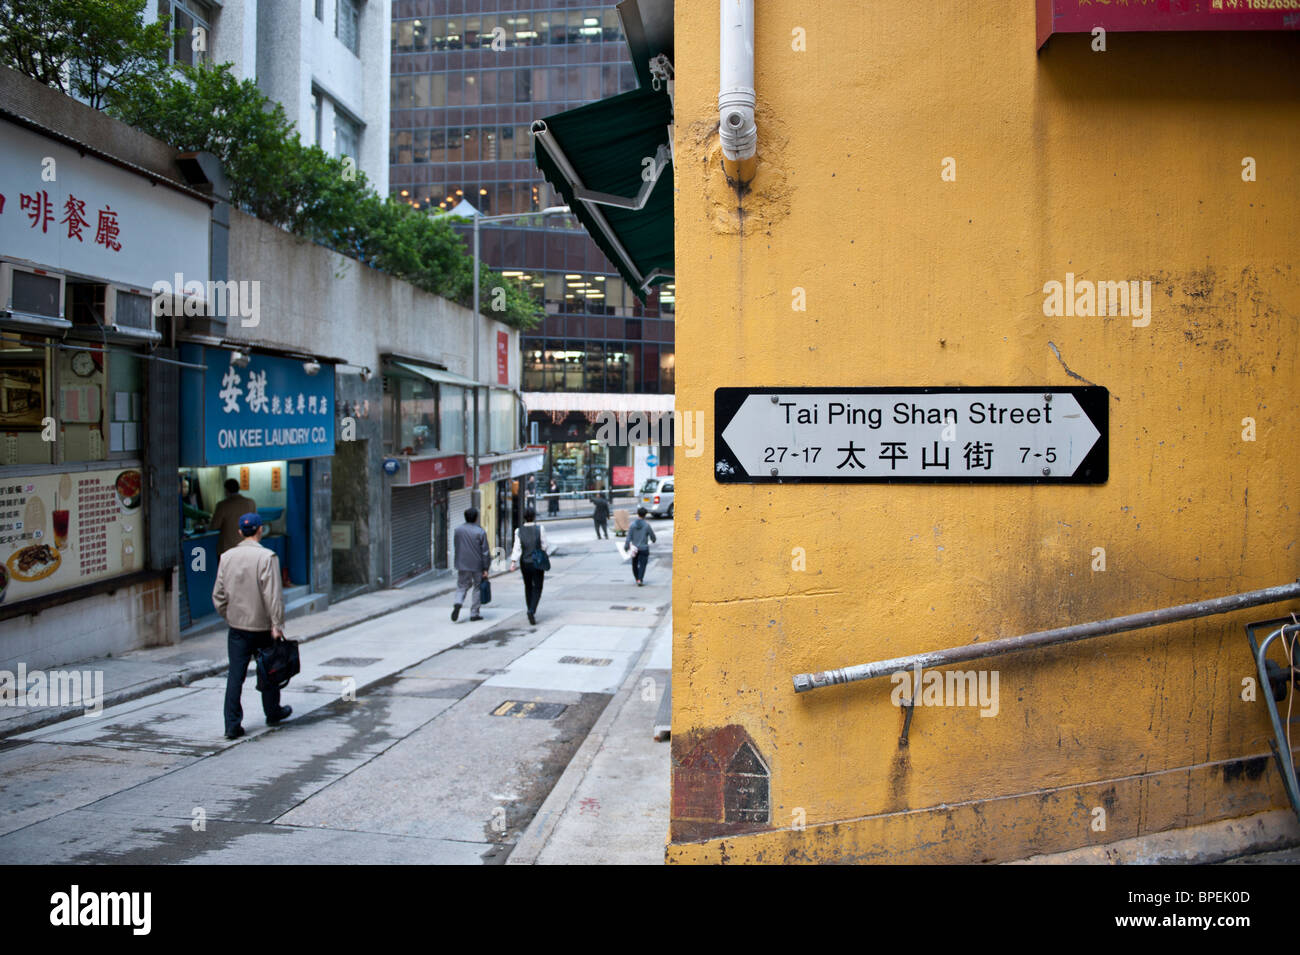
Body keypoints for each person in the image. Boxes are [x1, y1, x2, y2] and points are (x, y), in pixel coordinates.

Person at [212, 512, 291, 740]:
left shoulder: (226, 557)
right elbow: (273, 595)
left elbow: (218, 595)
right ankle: (273, 712)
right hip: (263, 627)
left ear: (239, 532)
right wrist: (276, 623)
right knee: (269, 672)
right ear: (260, 530)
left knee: (235, 675)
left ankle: (231, 725)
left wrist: (230, 616)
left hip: (237, 628)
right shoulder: (267, 557)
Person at [509, 506, 551, 625]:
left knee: (528, 586)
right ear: (534, 516)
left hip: (525, 563)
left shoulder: (518, 531)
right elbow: (544, 546)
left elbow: (517, 548)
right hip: (537, 562)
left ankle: (529, 609)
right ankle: (532, 610)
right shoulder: (540, 529)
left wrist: (513, 562)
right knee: (538, 587)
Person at [451, 506, 491, 622]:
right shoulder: (480, 531)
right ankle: (474, 613)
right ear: (476, 518)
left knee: (462, 586)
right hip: (477, 564)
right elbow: (485, 551)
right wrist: (486, 568)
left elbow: (456, 546)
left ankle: (458, 602)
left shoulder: (458, 530)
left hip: (462, 563)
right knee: (477, 587)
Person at [209, 478, 257, 554]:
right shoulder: (250, 502)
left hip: (228, 549)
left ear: (226, 490)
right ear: (238, 488)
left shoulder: (222, 505)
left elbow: (214, 526)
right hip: (247, 547)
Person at [626, 506, 657, 586]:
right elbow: (652, 536)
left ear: (638, 514)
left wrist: (626, 546)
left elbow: (629, 536)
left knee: (634, 564)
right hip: (644, 548)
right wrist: (653, 540)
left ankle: (637, 578)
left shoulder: (632, 525)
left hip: (634, 549)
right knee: (643, 565)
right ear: (645, 515)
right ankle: (640, 579)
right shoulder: (647, 525)